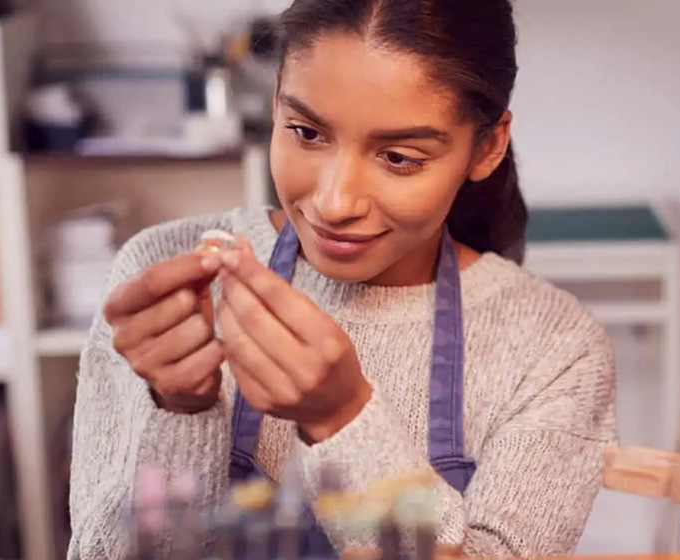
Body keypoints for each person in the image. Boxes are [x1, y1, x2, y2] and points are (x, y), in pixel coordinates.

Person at [65, 0, 618, 557]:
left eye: (400, 158)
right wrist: (180, 408)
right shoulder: (162, 273)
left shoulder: (553, 345)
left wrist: (343, 420)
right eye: (306, 132)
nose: (334, 203)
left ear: (487, 146)